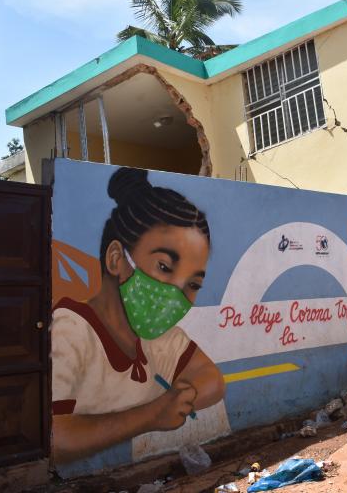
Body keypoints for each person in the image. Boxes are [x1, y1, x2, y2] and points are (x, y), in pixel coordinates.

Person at [50, 167, 226, 465]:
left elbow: (213, 381)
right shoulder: (71, 329)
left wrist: (177, 400)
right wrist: (152, 414)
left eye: (193, 284)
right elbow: (55, 439)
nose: (175, 294)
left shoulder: (158, 338)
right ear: (116, 258)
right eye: (164, 268)